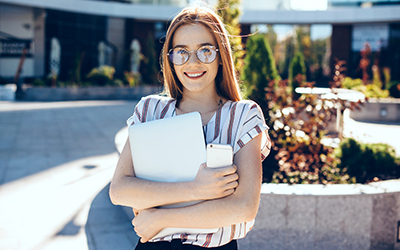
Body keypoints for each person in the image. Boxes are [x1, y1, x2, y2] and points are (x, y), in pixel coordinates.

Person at [109, 4, 271, 250]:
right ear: (170, 59)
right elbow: (120, 191)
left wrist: (161, 217)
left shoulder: (243, 115)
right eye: (181, 52)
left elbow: (244, 208)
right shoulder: (150, 111)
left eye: (205, 51)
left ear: (221, 56)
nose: (192, 63)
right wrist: (196, 188)